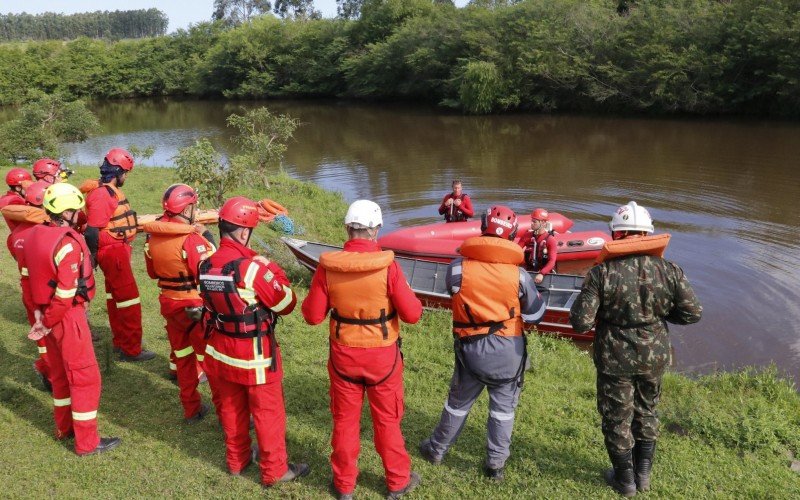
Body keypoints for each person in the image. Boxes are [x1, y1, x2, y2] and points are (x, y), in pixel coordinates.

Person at [569, 201, 702, 496]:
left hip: (614, 355)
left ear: (616, 235)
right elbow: (693, 313)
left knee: (617, 416)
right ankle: (643, 476)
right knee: (647, 410)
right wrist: (660, 317)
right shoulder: (669, 270)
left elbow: (580, 323)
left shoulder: (601, 274)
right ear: (648, 233)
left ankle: (625, 480)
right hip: (654, 354)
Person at [302, 200, 424, 500]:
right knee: (387, 420)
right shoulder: (389, 267)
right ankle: (397, 482)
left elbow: (312, 316)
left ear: (347, 228)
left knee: (344, 421)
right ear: (377, 230)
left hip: (344, 357)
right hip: (383, 359)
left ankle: (344, 486)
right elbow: (412, 314)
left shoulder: (327, 267)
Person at [418, 205, 546, 481]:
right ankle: (495, 466)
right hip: (508, 355)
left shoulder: (457, 269)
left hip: (470, 352)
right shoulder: (520, 276)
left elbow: (450, 292)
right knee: (502, 411)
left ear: (482, 227)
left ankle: (437, 450)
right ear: (512, 235)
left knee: (457, 404)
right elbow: (535, 315)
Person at [198, 196, 309, 487]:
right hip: (255, 356)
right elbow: (286, 302)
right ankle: (274, 471)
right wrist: (274, 270)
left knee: (232, 409)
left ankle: (237, 461)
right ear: (245, 231)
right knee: (268, 413)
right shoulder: (253, 268)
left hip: (220, 351)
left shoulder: (205, 263)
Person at [21, 183, 121, 455]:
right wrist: (50, 320)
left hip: (44, 312)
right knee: (85, 377)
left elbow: (26, 281)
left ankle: (64, 428)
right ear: (65, 212)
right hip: (66, 317)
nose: (80, 214)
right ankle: (87, 443)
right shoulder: (67, 243)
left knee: (60, 375)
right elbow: (65, 294)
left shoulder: (31, 235)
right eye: (76, 209)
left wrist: (39, 318)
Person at [143, 184, 216, 423]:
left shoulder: (152, 237)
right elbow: (209, 273)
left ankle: (191, 409)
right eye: (194, 206)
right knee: (212, 361)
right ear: (186, 209)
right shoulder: (192, 240)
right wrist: (206, 236)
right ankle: (228, 412)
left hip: (169, 305)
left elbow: (153, 273)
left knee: (183, 358)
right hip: (194, 307)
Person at [84, 148, 154, 362]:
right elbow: (92, 231)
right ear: (117, 172)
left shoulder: (107, 192)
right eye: (125, 173)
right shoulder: (102, 195)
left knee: (116, 298)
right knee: (129, 300)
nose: (126, 177)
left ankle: (120, 341)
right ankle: (131, 349)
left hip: (116, 251)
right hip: (113, 253)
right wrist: (93, 258)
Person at [3, 180, 51, 391]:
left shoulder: (15, 235)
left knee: (40, 332)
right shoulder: (45, 231)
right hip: (46, 287)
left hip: (28, 287)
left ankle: (47, 369)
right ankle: (52, 372)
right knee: (54, 330)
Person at [517, 208, 558, 283]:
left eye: (534, 222)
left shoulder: (550, 240)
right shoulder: (527, 236)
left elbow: (552, 261)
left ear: (543, 223)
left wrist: (542, 273)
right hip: (529, 271)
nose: (531, 223)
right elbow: (516, 250)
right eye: (531, 221)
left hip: (543, 274)